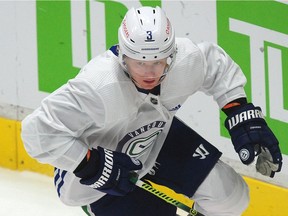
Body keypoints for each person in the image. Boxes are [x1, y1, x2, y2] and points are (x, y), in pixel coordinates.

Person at [21, 6, 282, 216]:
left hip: (154, 139)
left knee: (230, 197)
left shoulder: (185, 61)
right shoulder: (98, 86)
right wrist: (90, 164)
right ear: (123, 55)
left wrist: (240, 113)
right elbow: (36, 132)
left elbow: (216, 66)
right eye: (139, 63)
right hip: (100, 169)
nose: (149, 73)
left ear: (171, 54)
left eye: (158, 61)